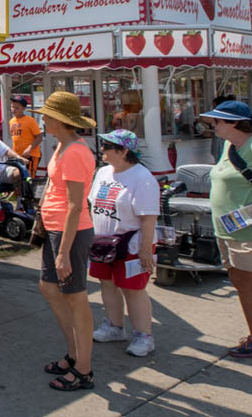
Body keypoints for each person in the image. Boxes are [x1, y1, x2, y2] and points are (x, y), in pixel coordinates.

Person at [34, 91, 97, 391]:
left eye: (46, 116)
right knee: (48, 287)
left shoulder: (74, 152)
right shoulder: (64, 146)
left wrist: (63, 253)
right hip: (56, 229)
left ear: (59, 120)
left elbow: (75, 204)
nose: (43, 119)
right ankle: (74, 355)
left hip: (70, 232)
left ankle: (83, 369)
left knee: (76, 297)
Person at [201, 99, 252, 376]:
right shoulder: (229, 147)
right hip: (227, 232)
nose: (212, 125)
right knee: (242, 286)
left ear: (232, 123)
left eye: (216, 121)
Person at [88, 129, 159, 358]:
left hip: (131, 244)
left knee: (133, 289)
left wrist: (145, 249)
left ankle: (144, 336)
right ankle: (115, 326)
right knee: (107, 283)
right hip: (103, 241)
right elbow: (92, 203)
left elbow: (148, 217)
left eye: (107, 147)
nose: (102, 151)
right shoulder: (103, 172)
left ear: (124, 151)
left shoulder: (142, 178)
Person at [9, 95, 43, 178]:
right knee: (18, 178)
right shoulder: (11, 121)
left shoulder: (30, 120)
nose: (14, 110)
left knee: (29, 178)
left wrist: (28, 149)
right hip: (18, 155)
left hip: (31, 155)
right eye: (12, 107)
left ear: (23, 108)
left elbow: (39, 137)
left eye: (17, 108)